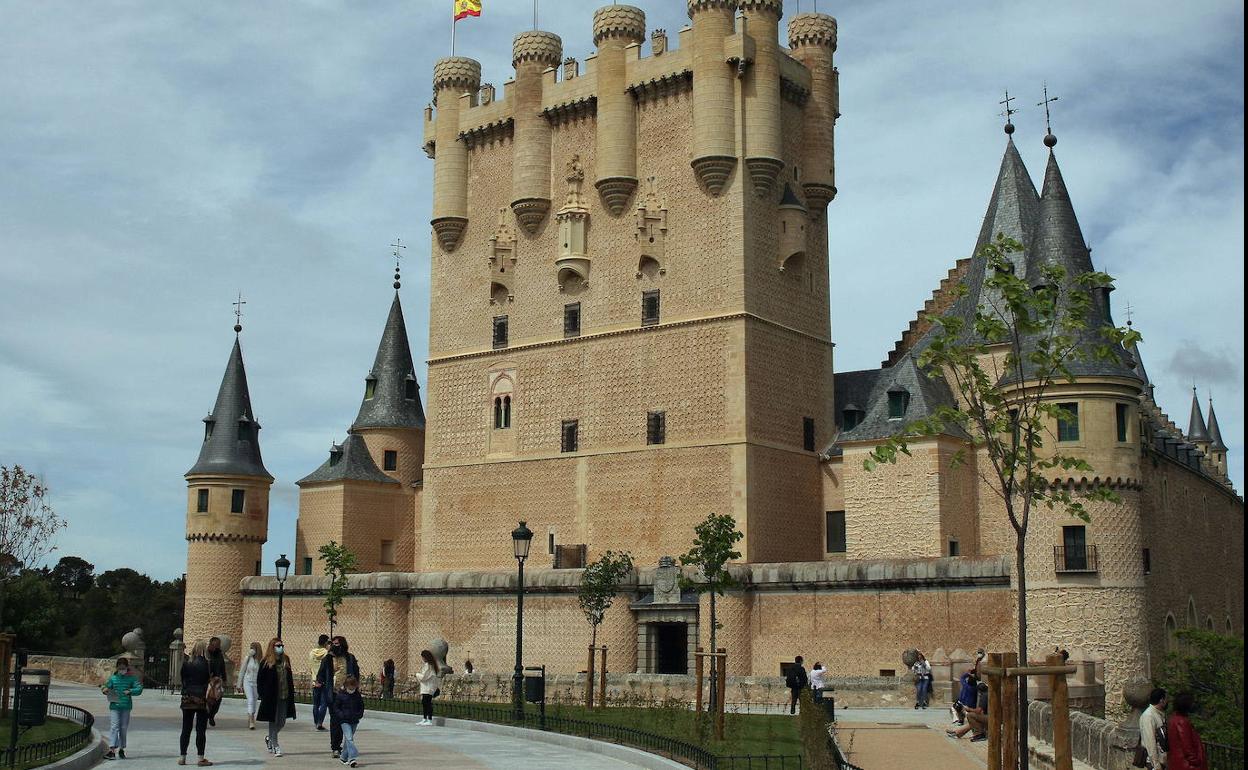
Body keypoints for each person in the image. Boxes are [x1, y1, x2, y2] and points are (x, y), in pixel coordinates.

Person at [317, 635, 361, 757]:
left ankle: (347, 746)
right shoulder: (328, 659)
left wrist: (355, 686)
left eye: (338, 644)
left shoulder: (350, 658)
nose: (336, 646)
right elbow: (321, 673)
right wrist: (320, 682)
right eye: (334, 644)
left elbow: (356, 673)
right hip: (334, 694)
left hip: (348, 694)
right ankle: (336, 747)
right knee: (335, 720)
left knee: (347, 720)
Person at [257, 638, 297, 757]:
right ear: (272, 647)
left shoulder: (286, 660)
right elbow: (260, 679)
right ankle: (275, 745)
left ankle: (270, 738)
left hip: (284, 694)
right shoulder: (266, 661)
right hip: (271, 696)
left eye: (281, 645)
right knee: (273, 721)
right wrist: (263, 694)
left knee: (282, 721)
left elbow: (289, 677)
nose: (280, 647)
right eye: (278, 645)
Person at [178, 640, 213, 767]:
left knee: (186, 729)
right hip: (201, 699)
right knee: (200, 730)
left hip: (188, 698)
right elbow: (209, 680)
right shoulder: (207, 664)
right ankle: (200, 757)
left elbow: (183, 679)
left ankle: (182, 757)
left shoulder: (187, 664)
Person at [101, 657, 143, 760]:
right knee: (114, 726)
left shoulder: (132, 678)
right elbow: (105, 686)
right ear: (117, 668)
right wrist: (105, 690)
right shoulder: (113, 678)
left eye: (123, 668)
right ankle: (112, 750)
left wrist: (130, 691)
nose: (122, 670)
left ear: (127, 667)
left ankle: (122, 749)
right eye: (120, 668)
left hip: (126, 706)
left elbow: (139, 689)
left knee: (123, 728)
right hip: (115, 706)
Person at [1166, 692, 1207, 770]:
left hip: (1176, 762)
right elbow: (1187, 746)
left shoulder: (1173, 719)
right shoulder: (1182, 721)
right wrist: (1196, 761)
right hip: (1186, 765)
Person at [332, 676, 365, 767]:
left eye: (353, 687)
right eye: (350, 688)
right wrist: (341, 715)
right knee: (350, 738)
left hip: (354, 720)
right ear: (346, 686)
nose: (352, 689)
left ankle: (343, 757)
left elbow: (361, 706)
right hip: (344, 721)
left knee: (348, 740)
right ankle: (352, 758)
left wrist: (359, 714)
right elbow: (336, 707)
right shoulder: (341, 695)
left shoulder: (357, 695)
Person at [1140, 687, 1168, 769]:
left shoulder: (1159, 714)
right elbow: (1150, 741)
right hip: (1154, 762)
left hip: (1162, 760)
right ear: (1161, 700)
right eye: (1166, 699)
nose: (1167, 702)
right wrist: (1156, 765)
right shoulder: (1149, 716)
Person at [237, 641, 262, 730]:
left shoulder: (261, 660)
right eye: (251, 648)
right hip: (247, 681)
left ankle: (251, 715)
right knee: (250, 699)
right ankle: (251, 720)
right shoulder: (247, 658)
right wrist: (239, 684)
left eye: (254, 648)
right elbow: (242, 671)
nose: (252, 650)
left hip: (256, 683)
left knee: (254, 700)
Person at [310, 634, 331, 731]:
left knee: (315, 704)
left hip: (315, 680)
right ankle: (320, 723)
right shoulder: (326, 653)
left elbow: (311, 666)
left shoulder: (312, 653)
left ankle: (315, 722)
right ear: (326, 643)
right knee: (324, 703)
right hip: (324, 680)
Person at [205, 637, 226, 727]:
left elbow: (222, 666)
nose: (217, 646)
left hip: (217, 679)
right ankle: (206, 716)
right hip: (208, 679)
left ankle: (211, 715)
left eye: (218, 644)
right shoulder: (207, 654)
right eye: (216, 644)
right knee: (208, 699)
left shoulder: (219, 654)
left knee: (217, 698)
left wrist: (224, 678)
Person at [417, 649, 441, 726]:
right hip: (429, 686)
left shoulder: (428, 665)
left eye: (423, 657)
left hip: (428, 687)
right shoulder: (432, 665)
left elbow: (424, 677)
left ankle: (429, 719)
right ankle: (425, 718)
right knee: (425, 703)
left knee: (427, 703)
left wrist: (417, 674)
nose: (422, 659)